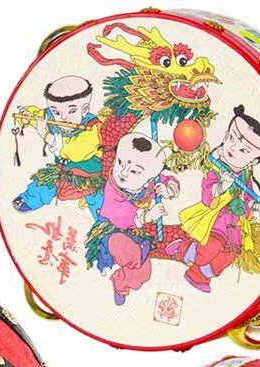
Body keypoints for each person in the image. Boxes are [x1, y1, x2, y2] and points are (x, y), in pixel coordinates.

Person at [179, 106, 260, 292]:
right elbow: (208, 195)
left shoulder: (245, 175)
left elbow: (248, 197)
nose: (232, 148)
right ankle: (193, 266)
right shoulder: (215, 167)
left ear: (253, 161)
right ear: (225, 136)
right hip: (216, 221)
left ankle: (198, 264)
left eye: (243, 150)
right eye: (231, 138)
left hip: (235, 225)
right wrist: (222, 184)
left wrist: (256, 206)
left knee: (232, 253)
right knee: (211, 247)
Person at [85, 133, 179, 305]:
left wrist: (169, 189)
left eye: (134, 171)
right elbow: (120, 219)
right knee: (127, 250)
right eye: (120, 163)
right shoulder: (114, 186)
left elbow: (167, 178)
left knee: (144, 273)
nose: (123, 172)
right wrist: (147, 217)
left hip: (134, 235)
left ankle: (120, 283)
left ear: (149, 179)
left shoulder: (148, 182)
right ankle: (135, 255)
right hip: (111, 231)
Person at [12, 76, 105, 218]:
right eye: (56, 112)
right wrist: (26, 117)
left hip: (91, 177)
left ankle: (105, 224)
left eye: (72, 111)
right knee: (44, 183)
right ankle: (31, 199)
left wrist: (45, 135)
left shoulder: (93, 128)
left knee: (99, 202)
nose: (63, 118)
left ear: (85, 109)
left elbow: (74, 152)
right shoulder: (50, 117)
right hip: (63, 170)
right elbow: (37, 115)